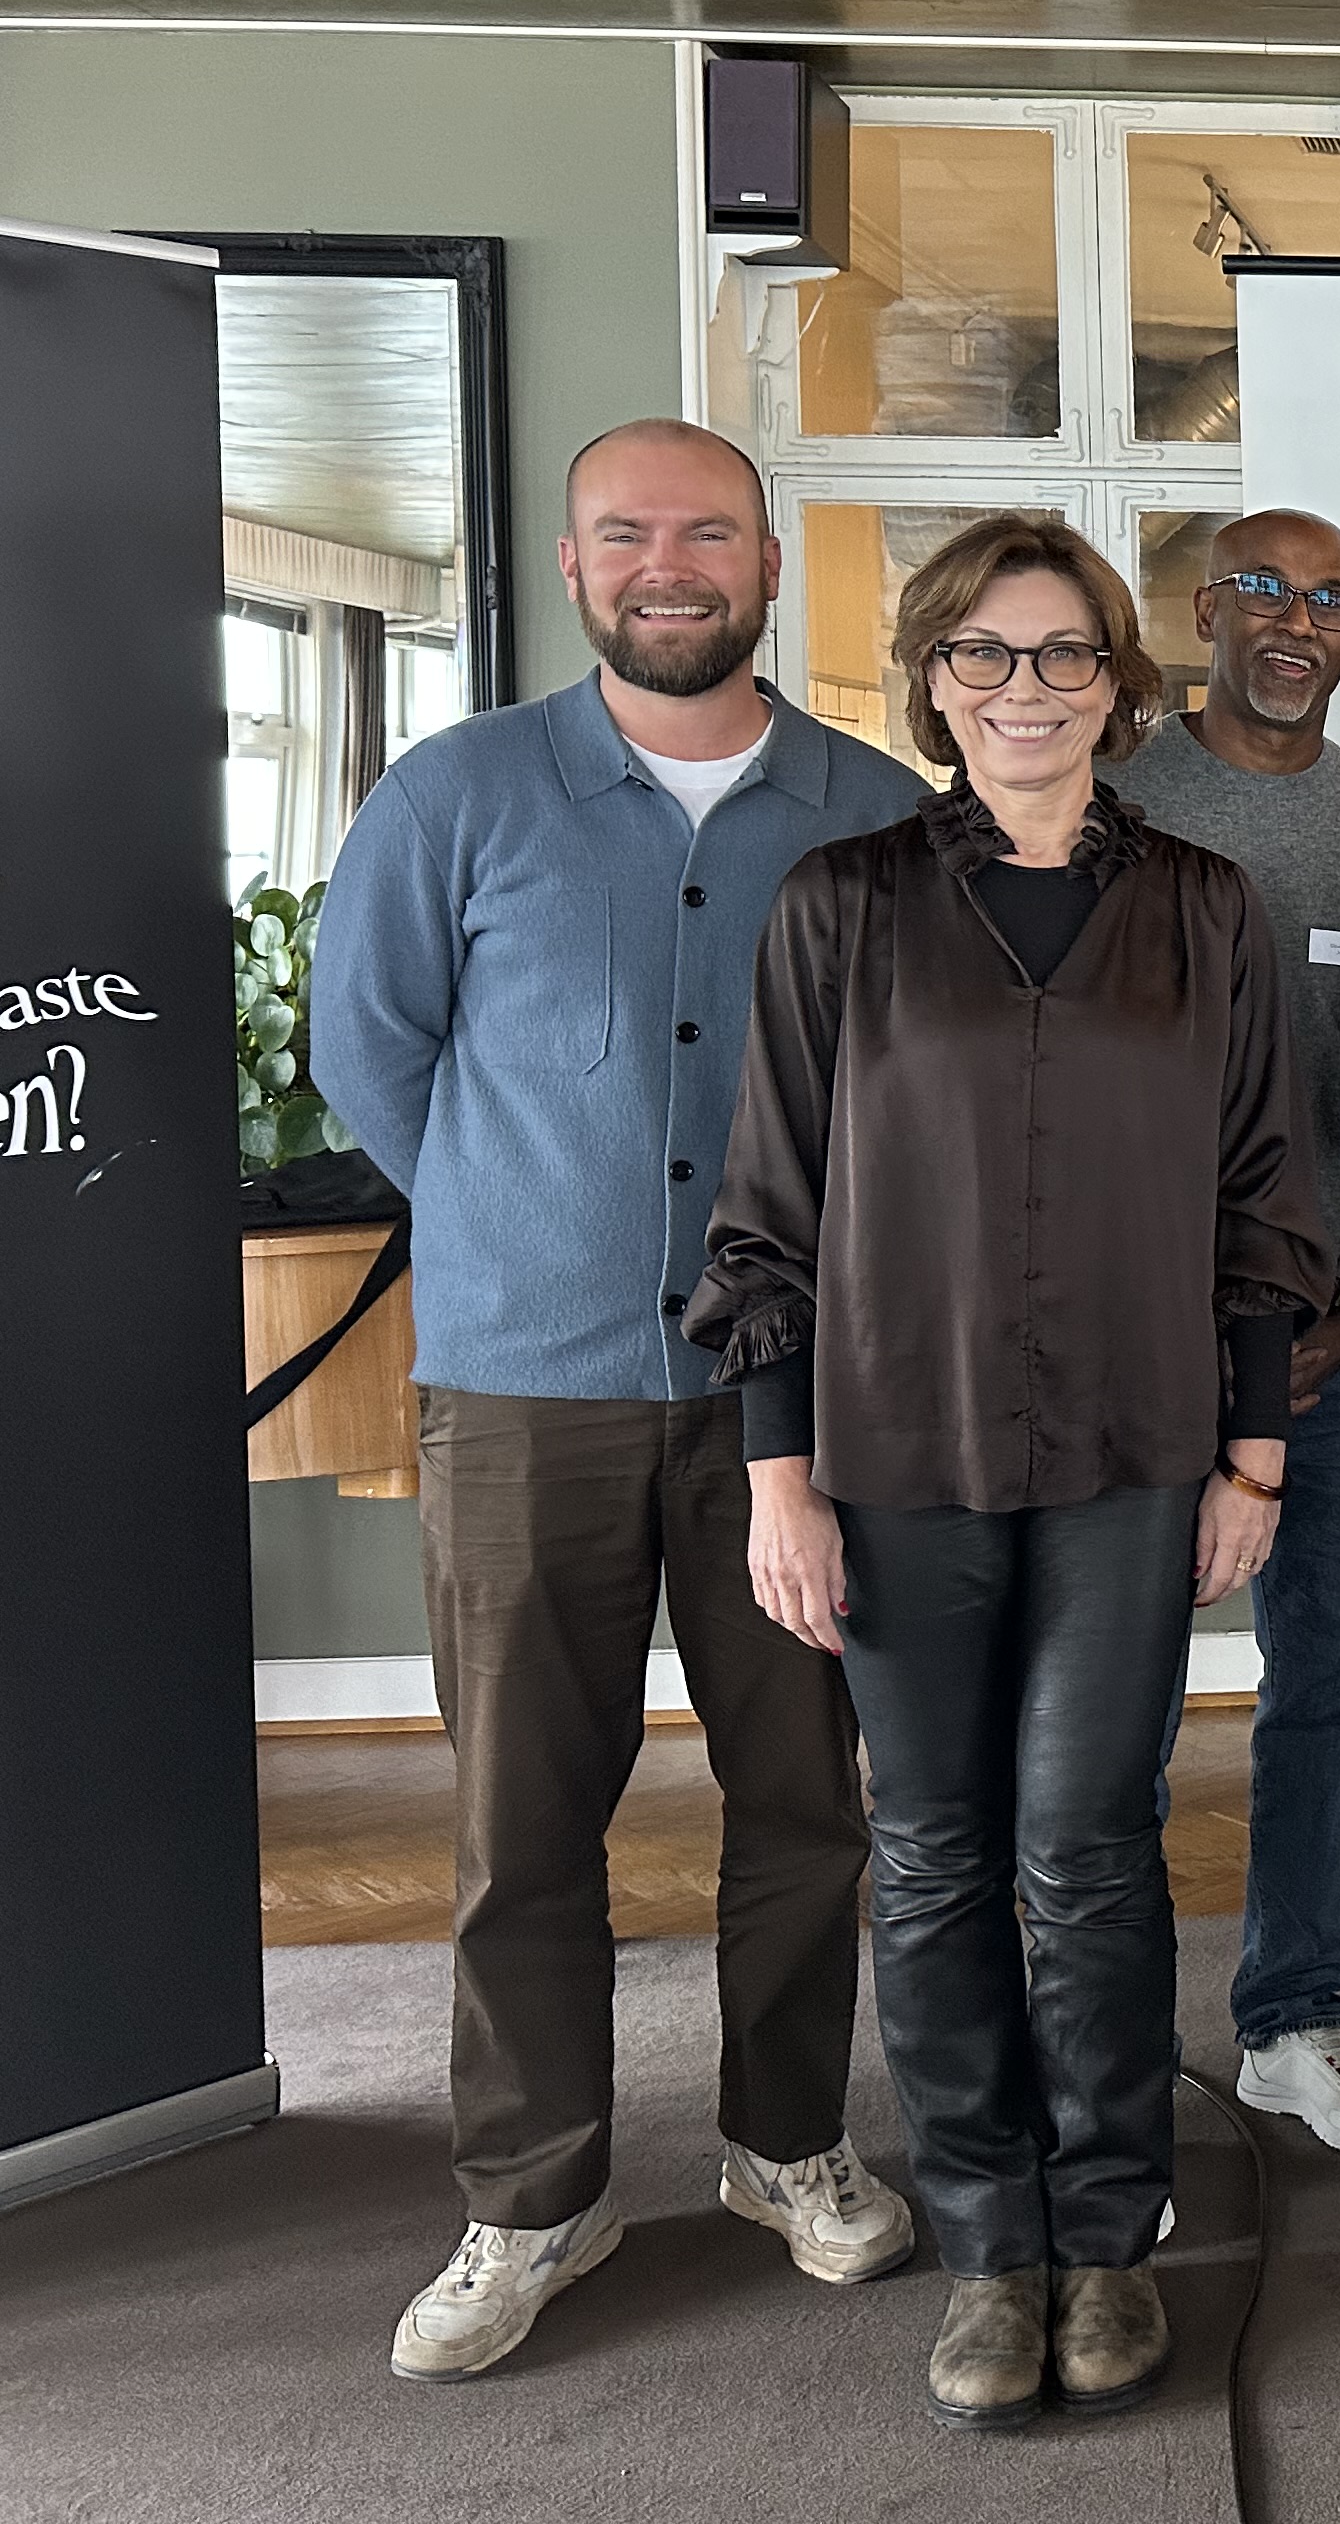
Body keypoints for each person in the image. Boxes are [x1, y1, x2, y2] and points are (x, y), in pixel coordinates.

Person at [689, 513, 1330, 2431]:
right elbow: (768, 1207)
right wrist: (776, 1474)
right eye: (983, 651)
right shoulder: (839, 901)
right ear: (932, 679)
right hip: (897, 1448)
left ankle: (1106, 2228)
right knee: (934, 1848)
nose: (1025, 687)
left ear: (1119, 682)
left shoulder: (1207, 905)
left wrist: (1256, 1449)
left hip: (1137, 1450)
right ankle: (988, 2240)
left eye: (1062, 653)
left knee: (1089, 1845)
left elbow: (1264, 1190)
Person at [314, 419, 927, 2386]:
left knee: (803, 1797)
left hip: (799, 1403)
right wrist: (521, 1217)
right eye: (628, 533)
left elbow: (913, 1095)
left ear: (769, 561)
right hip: (525, 1390)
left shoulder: (874, 810)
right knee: (521, 1815)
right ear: (576, 566)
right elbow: (373, 1053)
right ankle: (532, 2194)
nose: (670, 563)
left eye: (709, 531)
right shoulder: (457, 793)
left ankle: (785, 2140)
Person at [1105, 508, 1340, 2162]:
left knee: (1325, 1696)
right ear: (1202, 611)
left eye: (1330, 600)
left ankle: (1296, 2019)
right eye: (1264, 590)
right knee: (1122, 1711)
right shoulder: (1108, 806)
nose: (1296, 623)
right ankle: (1114, 2046)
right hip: (1141, 1355)